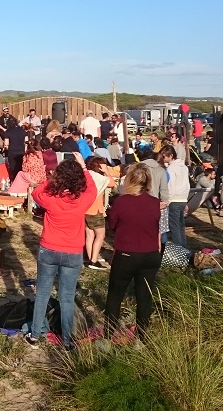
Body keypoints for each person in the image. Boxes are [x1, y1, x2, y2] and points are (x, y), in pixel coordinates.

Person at [24, 159, 97, 349]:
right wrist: (84, 169)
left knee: (42, 294)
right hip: (73, 252)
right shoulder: (82, 200)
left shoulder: (50, 198)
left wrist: (52, 179)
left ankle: (35, 335)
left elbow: (35, 192)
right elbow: (93, 189)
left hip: (49, 249)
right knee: (67, 297)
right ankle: (67, 340)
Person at [103, 164, 162, 343]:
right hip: (150, 254)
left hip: (127, 254)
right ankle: (141, 340)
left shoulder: (122, 201)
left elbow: (112, 225)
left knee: (115, 296)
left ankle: (108, 338)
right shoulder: (154, 202)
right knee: (144, 297)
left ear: (129, 180)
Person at [84, 156, 114, 270]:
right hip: (95, 210)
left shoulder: (87, 175)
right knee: (100, 235)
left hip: (85, 209)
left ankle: (90, 257)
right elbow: (112, 183)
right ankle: (94, 260)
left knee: (89, 235)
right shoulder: (99, 178)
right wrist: (106, 171)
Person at [162, 145, 190, 248]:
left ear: (171, 156)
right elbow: (187, 185)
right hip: (183, 199)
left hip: (174, 199)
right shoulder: (184, 167)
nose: (163, 158)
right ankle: (185, 248)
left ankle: (179, 250)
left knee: (174, 228)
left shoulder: (171, 168)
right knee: (181, 226)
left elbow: (171, 185)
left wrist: (167, 200)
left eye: (164, 156)